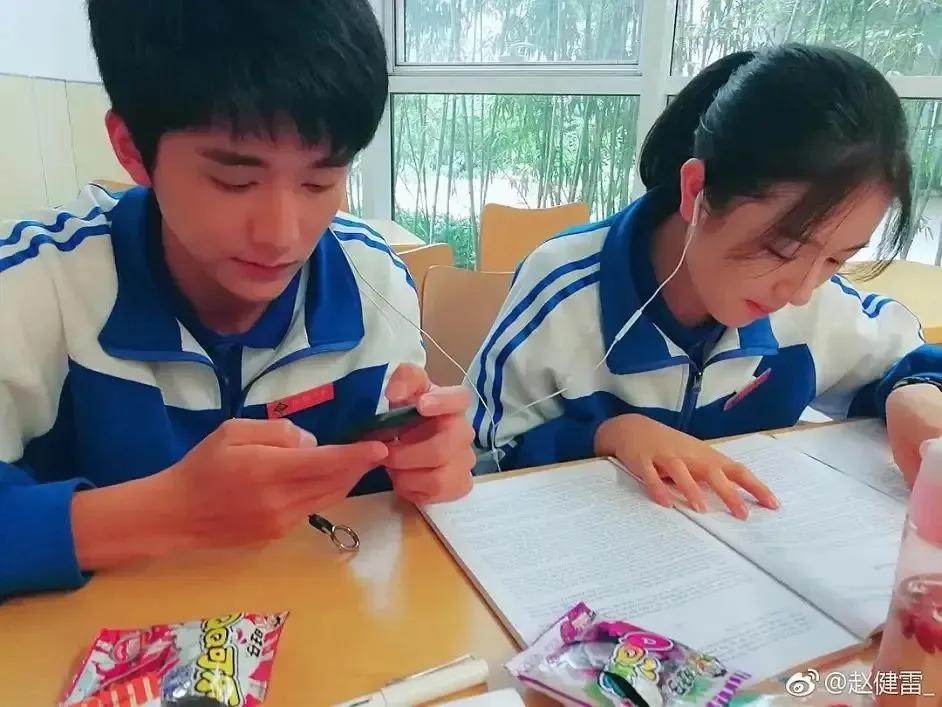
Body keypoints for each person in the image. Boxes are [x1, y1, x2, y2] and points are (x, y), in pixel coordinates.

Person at [0, 0, 476, 599]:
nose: (282, 234)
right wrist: (165, 513)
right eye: (234, 181)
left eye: (319, 181)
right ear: (132, 149)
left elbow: (386, 513)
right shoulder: (35, 286)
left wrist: (428, 465)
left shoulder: (373, 279)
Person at [468, 44, 942, 518]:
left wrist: (915, 393)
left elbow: (909, 357)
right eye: (781, 249)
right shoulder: (563, 290)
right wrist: (606, 435)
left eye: (838, 258)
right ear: (696, 191)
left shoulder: (816, 303)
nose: (800, 292)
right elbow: (482, 461)